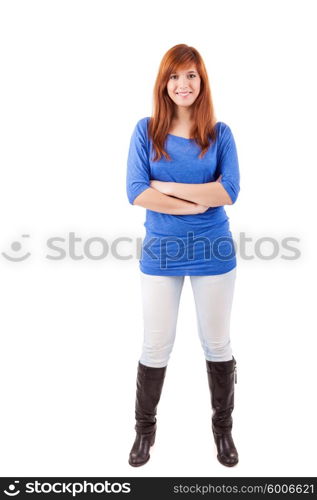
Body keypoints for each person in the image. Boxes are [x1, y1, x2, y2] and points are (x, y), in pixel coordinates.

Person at [126, 44, 240, 468]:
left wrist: (169, 189)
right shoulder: (146, 130)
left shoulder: (220, 133)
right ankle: (143, 433)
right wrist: (197, 201)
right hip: (161, 254)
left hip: (214, 252)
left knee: (217, 343)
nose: (183, 84)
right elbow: (137, 192)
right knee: (155, 345)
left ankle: (223, 433)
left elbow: (228, 191)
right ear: (164, 82)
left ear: (202, 81)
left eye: (191, 75)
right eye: (175, 76)